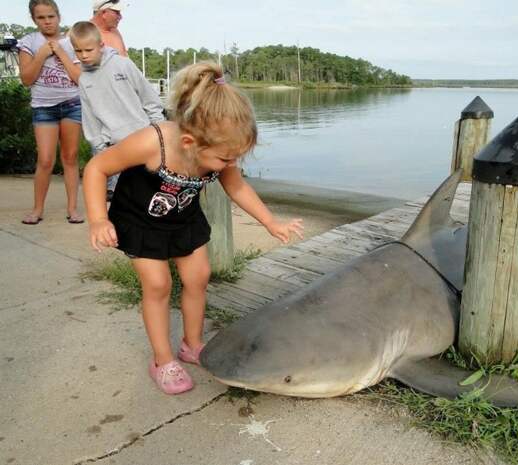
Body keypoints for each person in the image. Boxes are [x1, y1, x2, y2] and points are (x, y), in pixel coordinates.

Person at [83, 61, 304, 395]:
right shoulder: (152, 142)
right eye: (224, 160)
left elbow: (237, 187)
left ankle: (193, 344)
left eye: (235, 159)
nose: (230, 166)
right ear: (189, 142)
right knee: (158, 285)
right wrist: (99, 218)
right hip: (140, 221)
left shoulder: (220, 150)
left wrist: (270, 222)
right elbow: (97, 168)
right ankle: (162, 359)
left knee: (198, 277)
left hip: (183, 219)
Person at [69, 21, 164, 200]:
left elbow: (150, 99)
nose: (83, 55)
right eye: (78, 51)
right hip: (112, 149)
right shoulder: (84, 80)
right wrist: (99, 147)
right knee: (120, 201)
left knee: (151, 197)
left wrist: (158, 133)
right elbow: (90, 118)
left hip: (143, 142)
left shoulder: (123, 65)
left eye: (88, 50)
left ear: (101, 45)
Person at [17, 0, 83, 225]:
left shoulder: (73, 41)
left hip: (72, 105)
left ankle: (72, 209)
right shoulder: (28, 42)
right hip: (44, 107)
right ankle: (37, 209)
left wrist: (61, 53)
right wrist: (42, 54)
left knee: (70, 157)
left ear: (59, 16)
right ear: (34, 20)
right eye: (41, 18)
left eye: (50, 16)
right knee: (45, 160)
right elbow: (26, 79)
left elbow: (79, 78)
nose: (47, 22)